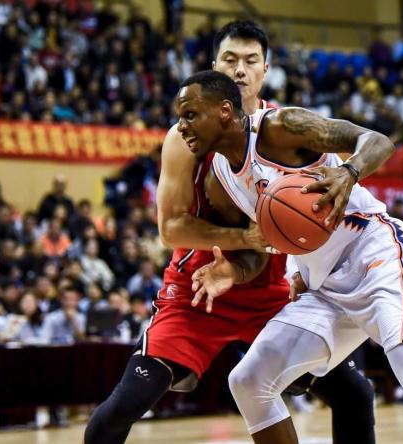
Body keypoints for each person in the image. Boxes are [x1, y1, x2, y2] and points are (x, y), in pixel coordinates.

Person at [182, 70, 403, 444]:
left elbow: (377, 141)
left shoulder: (282, 127)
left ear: (223, 111)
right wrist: (235, 271)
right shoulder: (220, 181)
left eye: (190, 114)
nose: (181, 126)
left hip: (377, 257)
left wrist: (349, 171)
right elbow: (261, 247)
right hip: (324, 288)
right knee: (248, 381)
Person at [84, 20, 376, 444]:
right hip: (198, 289)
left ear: (266, 69)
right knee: (122, 408)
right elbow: (170, 229)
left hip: (271, 293)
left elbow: (337, 187)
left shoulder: (285, 128)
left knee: (354, 395)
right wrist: (244, 240)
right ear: (214, 66)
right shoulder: (183, 137)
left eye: (251, 60)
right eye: (230, 59)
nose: (240, 69)